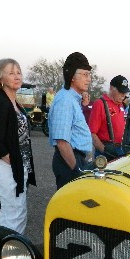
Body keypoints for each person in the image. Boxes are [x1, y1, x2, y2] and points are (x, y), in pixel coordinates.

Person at [0, 58, 36, 235]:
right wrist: (13, 161)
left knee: (19, 212)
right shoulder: (1, 103)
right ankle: (8, 251)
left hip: (18, 166)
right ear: (0, 79)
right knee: (13, 213)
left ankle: (14, 250)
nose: (17, 76)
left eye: (19, 72)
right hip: (7, 167)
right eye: (11, 73)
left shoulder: (15, 103)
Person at [48, 52, 94, 189]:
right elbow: (62, 142)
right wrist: (76, 170)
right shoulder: (65, 101)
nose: (89, 79)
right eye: (85, 74)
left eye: (89, 75)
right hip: (69, 162)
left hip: (76, 159)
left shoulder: (73, 99)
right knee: (71, 207)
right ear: (72, 76)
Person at [88, 75, 129, 158]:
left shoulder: (121, 105)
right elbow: (92, 133)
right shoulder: (100, 104)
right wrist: (104, 150)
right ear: (111, 88)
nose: (123, 95)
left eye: (125, 93)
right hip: (106, 151)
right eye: (120, 92)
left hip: (121, 149)